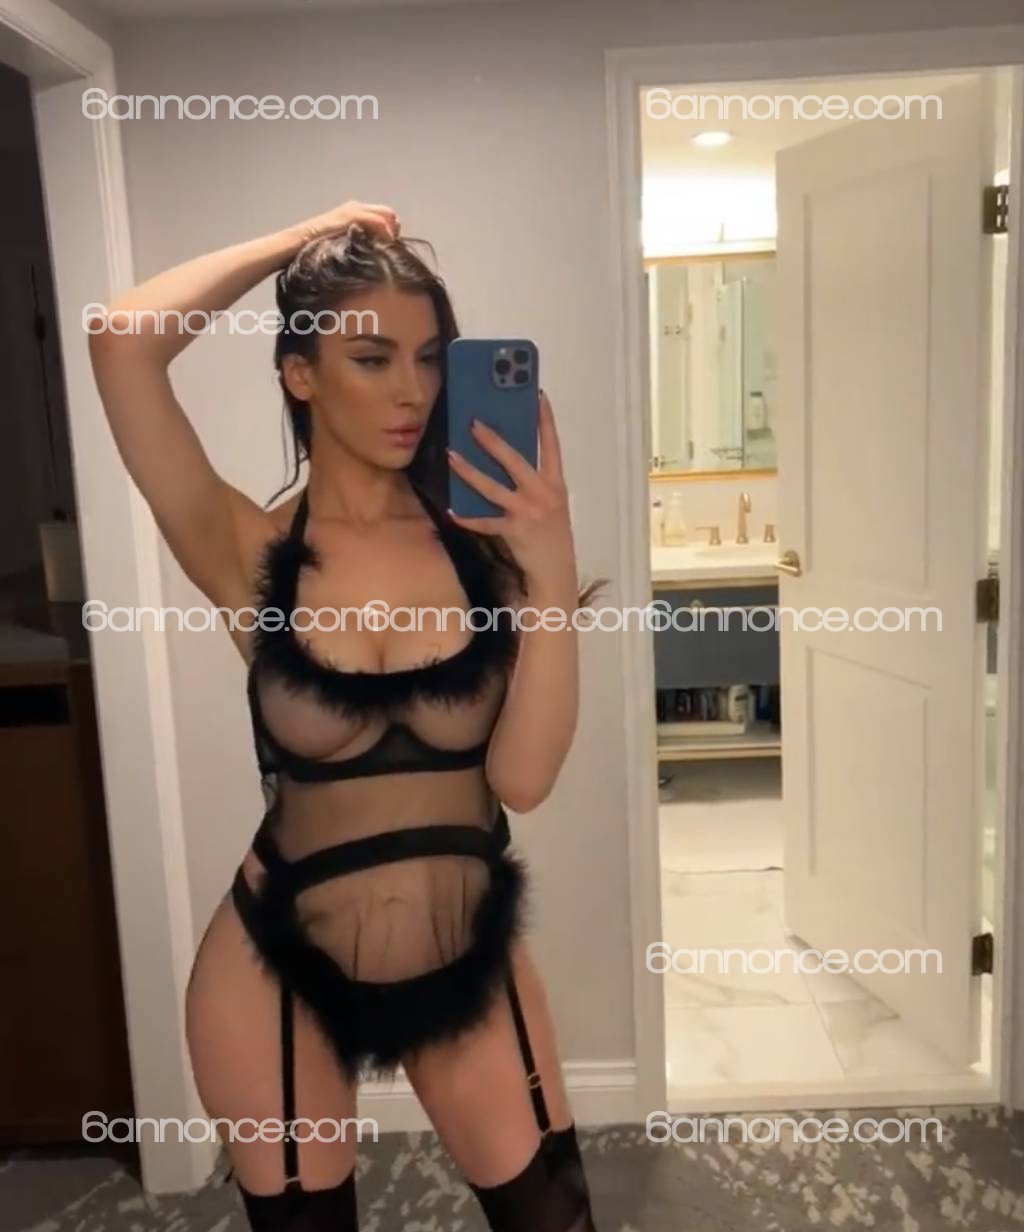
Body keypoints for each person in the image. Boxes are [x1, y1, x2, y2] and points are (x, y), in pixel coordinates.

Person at [88, 200, 603, 1231]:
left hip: (467, 952)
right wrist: (301, 240)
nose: (412, 390)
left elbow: (523, 779)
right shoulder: (247, 550)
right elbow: (120, 341)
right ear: (300, 372)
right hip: (273, 962)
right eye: (371, 358)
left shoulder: (487, 547)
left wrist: (551, 571)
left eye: (429, 358)